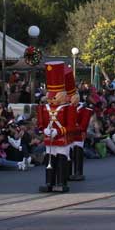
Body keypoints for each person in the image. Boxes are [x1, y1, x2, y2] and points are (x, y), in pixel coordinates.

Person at [37, 62, 77, 193]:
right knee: (50, 160)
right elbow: (40, 123)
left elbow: (71, 126)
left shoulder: (68, 109)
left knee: (61, 159)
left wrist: (58, 131)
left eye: (53, 97)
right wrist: (44, 130)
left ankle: (61, 181)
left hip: (62, 138)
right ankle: (49, 182)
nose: (51, 100)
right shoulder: (44, 108)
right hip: (50, 138)